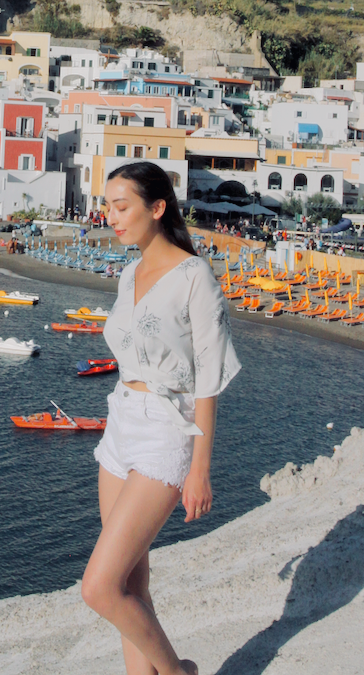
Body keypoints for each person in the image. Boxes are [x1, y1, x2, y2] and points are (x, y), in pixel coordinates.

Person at [81, 161, 240, 675]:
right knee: (130, 583)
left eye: (121, 206)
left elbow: (208, 381)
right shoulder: (128, 273)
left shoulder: (195, 278)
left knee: (99, 587)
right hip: (120, 422)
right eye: (108, 205)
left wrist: (199, 469)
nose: (111, 216)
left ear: (157, 207)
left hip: (168, 429)